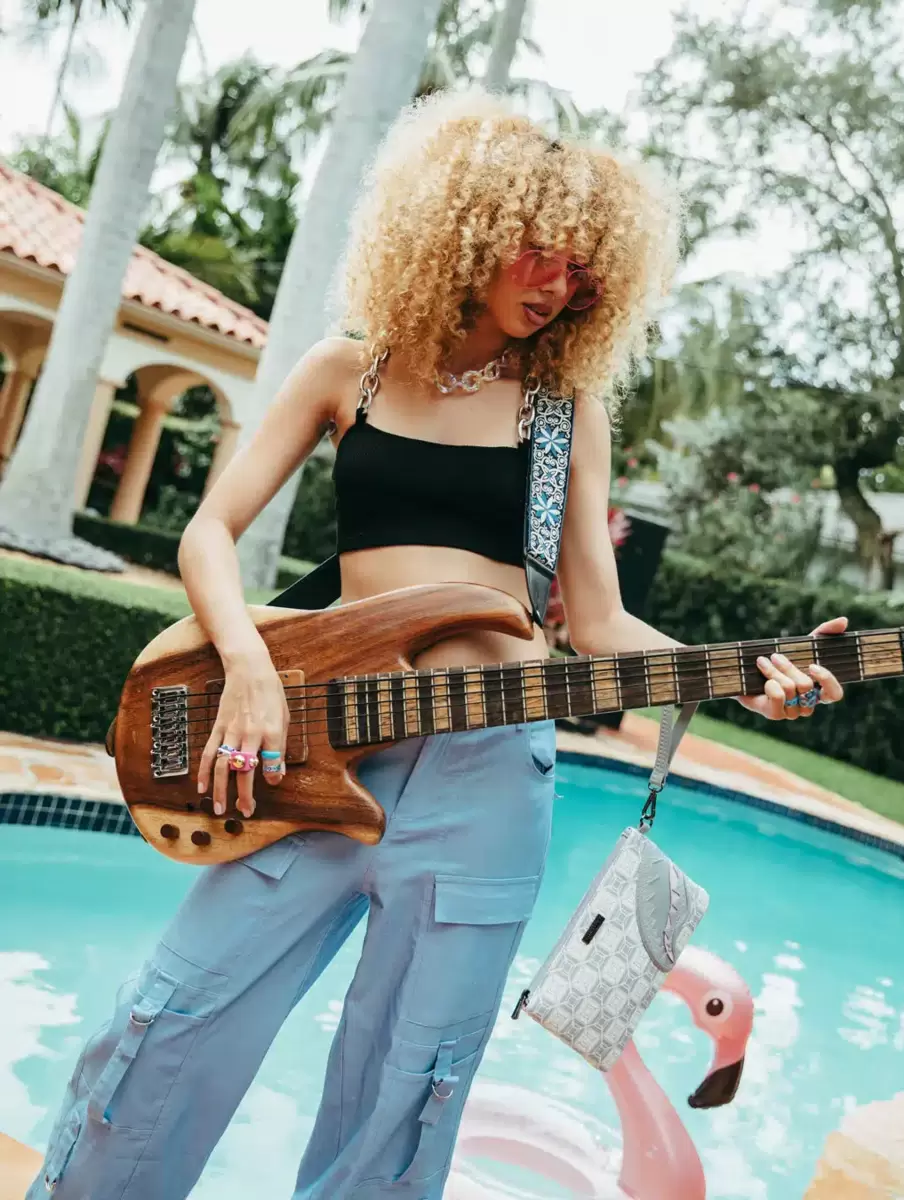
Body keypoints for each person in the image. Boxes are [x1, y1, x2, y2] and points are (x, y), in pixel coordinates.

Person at [30, 89, 846, 1200]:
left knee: (410, 1088)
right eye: (539, 253)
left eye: (581, 273)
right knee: (167, 1021)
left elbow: (598, 624)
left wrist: (747, 678)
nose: (556, 287)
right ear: (468, 230)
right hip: (309, 743)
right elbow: (208, 533)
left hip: (488, 778)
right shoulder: (348, 371)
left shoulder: (565, 412)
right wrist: (252, 671)